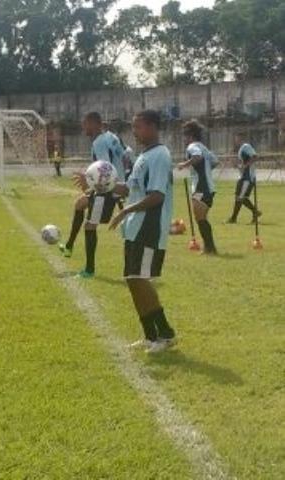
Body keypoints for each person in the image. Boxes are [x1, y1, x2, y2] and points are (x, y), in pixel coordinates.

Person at [107, 109, 177, 354]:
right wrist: (100, 183)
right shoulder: (143, 156)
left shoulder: (160, 155)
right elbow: (130, 189)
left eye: (138, 127)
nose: (134, 132)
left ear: (151, 126)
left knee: (141, 280)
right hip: (135, 229)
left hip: (149, 228)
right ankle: (150, 335)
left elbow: (157, 196)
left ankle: (165, 335)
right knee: (133, 280)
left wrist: (125, 211)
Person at [59, 112, 126, 278]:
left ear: (95, 124)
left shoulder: (99, 142)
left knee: (90, 226)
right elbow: (124, 156)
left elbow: (104, 171)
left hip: (107, 189)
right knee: (80, 204)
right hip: (115, 186)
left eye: (86, 124)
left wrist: (88, 179)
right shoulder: (111, 136)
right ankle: (69, 246)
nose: (84, 127)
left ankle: (89, 270)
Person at [177, 120, 218, 254]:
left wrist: (184, 164)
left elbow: (197, 157)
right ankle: (210, 247)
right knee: (202, 218)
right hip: (210, 188)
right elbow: (215, 161)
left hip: (200, 188)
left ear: (190, 135)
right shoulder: (203, 147)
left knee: (200, 218)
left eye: (184, 135)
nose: (183, 139)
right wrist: (205, 171)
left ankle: (209, 248)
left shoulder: (192, 146)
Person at [228, 133, 261, 223]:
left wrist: (245, 166)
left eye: (237, 138)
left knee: (241, 197)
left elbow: (255, 156)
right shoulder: (241, 149)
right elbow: (243, 163)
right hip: (242, 177)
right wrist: (237, 166)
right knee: (238, 197)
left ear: (241, 138)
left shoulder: (246, 146)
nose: (236, 140)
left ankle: (255, 212)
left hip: (248, 178)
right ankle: (234, 218)